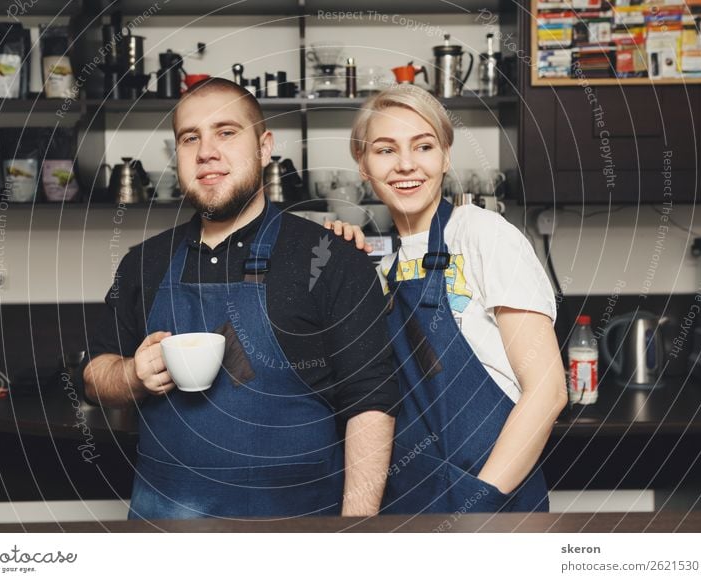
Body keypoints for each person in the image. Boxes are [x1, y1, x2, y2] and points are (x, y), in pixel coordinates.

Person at [83, 78, 398, 520]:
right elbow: (95, 375)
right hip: (165, 535)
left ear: (264, 147)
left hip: (299, 534)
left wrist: (354, 534)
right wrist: (133, 375)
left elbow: (371, 402)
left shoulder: (331, 258)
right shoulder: (143, 263)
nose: (206, 151)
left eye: (226, 132)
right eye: (190, 138)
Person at [328, 85, 567, 514]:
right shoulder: (385, 268)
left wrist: (477, 503)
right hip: (413, 498)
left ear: (445, 157)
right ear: (363, 166)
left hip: (488, 499)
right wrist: (336, 261)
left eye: (423, 146)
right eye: (385, 150)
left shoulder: (483, 235)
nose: (406, 164)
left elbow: (547, 393)